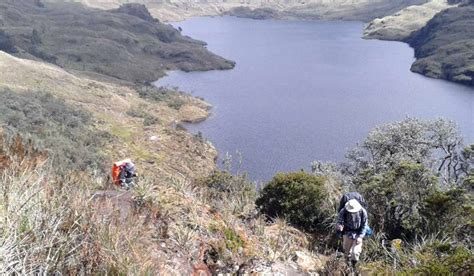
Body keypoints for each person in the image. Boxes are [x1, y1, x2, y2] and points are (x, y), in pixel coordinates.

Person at [336, 199, 368, 267]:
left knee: (355, 252)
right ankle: (347, 268)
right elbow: (339, 221)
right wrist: (339, 226)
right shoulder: (343, 211)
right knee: (347, 253)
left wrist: (360, 237)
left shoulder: (362, 211)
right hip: (347, 232)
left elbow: (364, 225)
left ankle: (353, 267)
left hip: (358, 233)